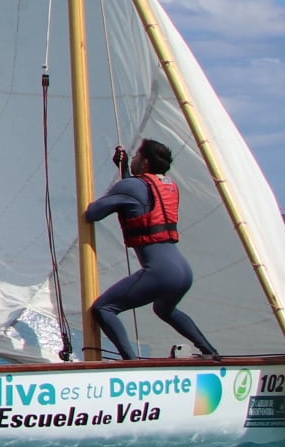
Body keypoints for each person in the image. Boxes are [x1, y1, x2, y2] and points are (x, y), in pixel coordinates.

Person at [84, 140, 220, 360]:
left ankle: (131, 362)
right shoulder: (168, 185)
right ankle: (210, 352)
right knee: (164, 310)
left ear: (145, 162)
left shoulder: (131, 187)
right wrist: (124, 170)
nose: (134, 158)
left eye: (136, 156)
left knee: (104, 308)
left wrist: (118, 182)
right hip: (183, 271)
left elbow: (93, 213)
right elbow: (138, 196)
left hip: (160, 272)